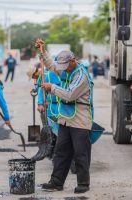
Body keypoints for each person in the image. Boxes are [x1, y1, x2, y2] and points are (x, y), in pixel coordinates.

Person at [35, 39, 94, 194]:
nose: (62, 69)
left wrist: (52, 87)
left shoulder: (81, 76)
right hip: (66, 119)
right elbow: (52, 66)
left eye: (65, 66)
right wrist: (43, 51)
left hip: (80, 119)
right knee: (61, 151)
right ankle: (56, 181)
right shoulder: (66, 69)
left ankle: (83, 183)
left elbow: (69, 95)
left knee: (81, 153)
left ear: (73, 61)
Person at [27, 62, 61, 159]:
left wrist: (41, 103)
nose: (33, 78)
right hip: (49, 105)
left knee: (51, 128)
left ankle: (52, 147)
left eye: (33, 76)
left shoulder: (45, 75)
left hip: (53, 105)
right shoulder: (41, 76)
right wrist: (35, 90)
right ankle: (50, 147)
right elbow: (40, 88)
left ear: (35, 73)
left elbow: (43, 88)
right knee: (48, 126)